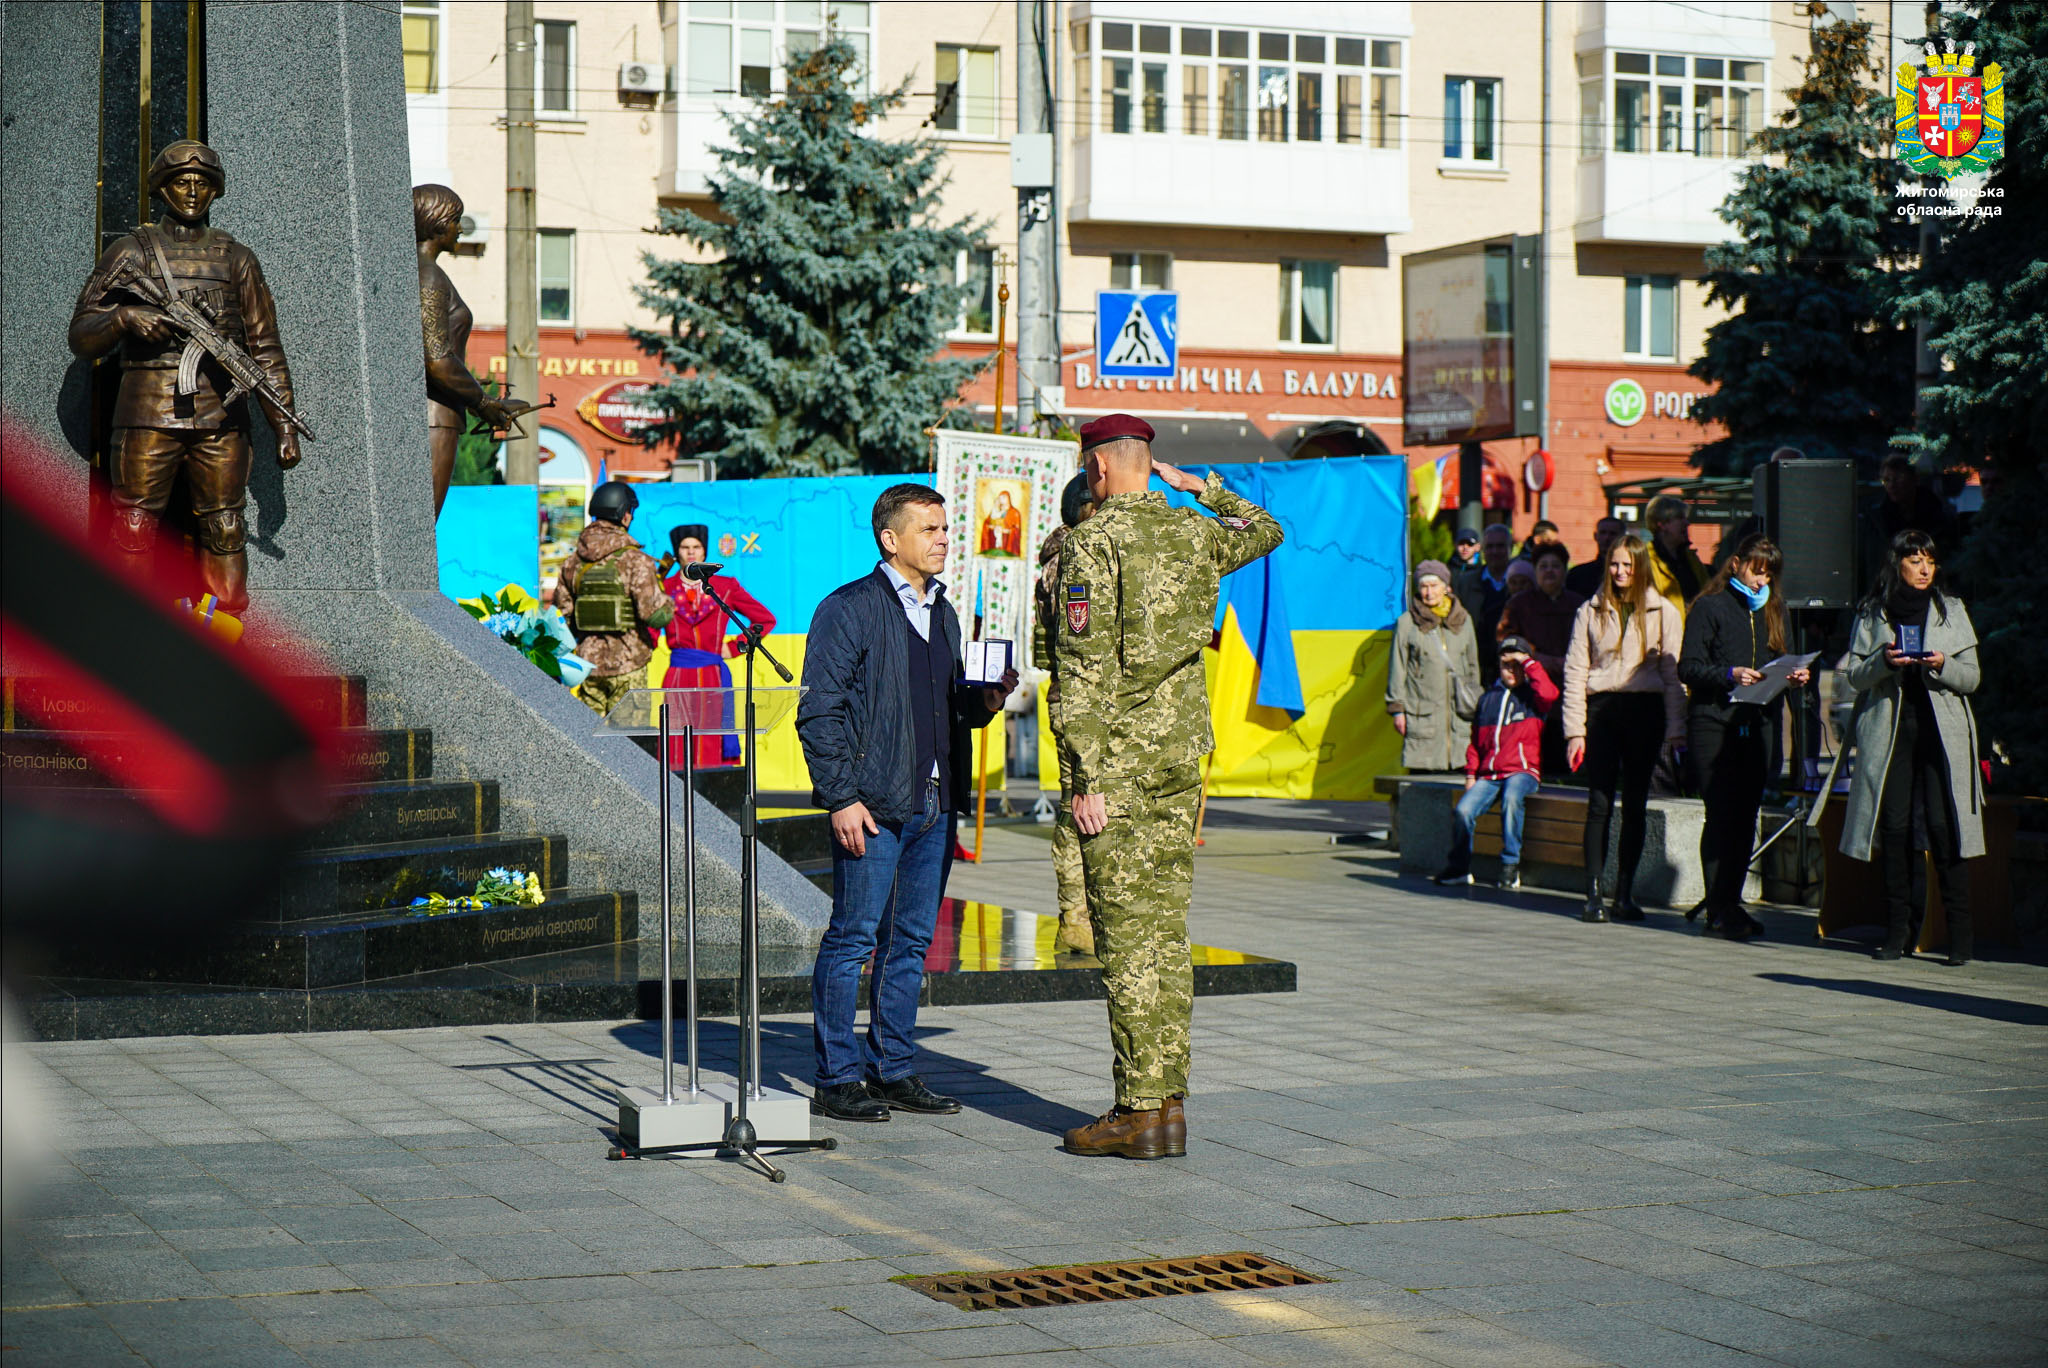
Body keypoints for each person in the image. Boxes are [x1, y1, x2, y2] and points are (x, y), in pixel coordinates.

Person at [1053, 414, 1283, 1159]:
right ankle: (1169, 1103)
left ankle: (1138, 1108)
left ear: (1097, 469)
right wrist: (1200, 486)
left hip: (1116, 769)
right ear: (1147, 464)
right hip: (1180, 762)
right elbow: (1268, 528)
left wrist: (1085, 775)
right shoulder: (1194, 532)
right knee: (1164, 933)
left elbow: (1080, 671)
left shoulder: (1093, 540)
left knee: (1126, 939)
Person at [797, 484, 1015, 1123]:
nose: (944, 538)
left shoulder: (943, 611)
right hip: (874, 803)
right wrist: (840, 797)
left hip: (936, 801)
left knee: (911, 942)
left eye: (945, 528)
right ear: (890, 540)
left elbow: (955, 710)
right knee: (853, 939)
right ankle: (837, 1078)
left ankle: (891, 1068)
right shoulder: (849, 608)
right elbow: (820, 711)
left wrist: (989, 698)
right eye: (930, 529)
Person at [68, 140, 304, 614]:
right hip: (146, 414)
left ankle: (226, 638)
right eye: (182, 181)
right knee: (133, 527)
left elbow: (265, 347)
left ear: (216, 190)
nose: (193, 190)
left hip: (220, 418)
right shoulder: (131, 253)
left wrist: (283, 423)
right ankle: (127, 635)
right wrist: (123, 320)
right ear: (161, 187)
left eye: (203, 182)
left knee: (226, 528)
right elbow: (81, 333)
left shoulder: (237, 258)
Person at [1840, 531, 1984, 965]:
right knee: (1895, 829)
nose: (1924, 569)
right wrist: (1883, 662)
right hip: (1891, 732)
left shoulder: (1951, 610)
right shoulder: (1872, 611)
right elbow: (1854, 676)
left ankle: (1961, 936)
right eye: (1916, 560)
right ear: (1897, 563)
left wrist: (1943, 665)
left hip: (1943, 734)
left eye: (1930, 561)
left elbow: (1973, 678)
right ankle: (1896, 932)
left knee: (1945, 828)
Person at [1678, 536, 1811, 941]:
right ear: (1736, 564)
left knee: (1745, 817)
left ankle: (1728, 903)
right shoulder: (1710, 606)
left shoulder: (1774, 609)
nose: (1760, 580)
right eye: (1755, 570)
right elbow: (1689, 667)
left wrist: (1794, 678)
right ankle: (1719, 907)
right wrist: (1729, 674)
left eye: (1768, 573)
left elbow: (1780, 657)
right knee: (1720, 814)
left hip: (1756, 724)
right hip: (1714, 722)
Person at [1563, 533, 1685, 923]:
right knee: (1599, 804)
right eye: (1614, 564)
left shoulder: (1663, 611)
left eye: (1628, 566)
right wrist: (1574, 732)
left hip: (1644, 711)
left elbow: (1673, 676)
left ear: (1640, 568)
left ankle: (1626, 895)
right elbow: (1575, 672)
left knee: (1635, 805)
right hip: (1601, 711)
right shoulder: (1589, 610)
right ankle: (1593, 893)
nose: (1619, 572)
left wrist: (1676, 728)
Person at [414, 184, 515, 517]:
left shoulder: (420, 273)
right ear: (439, 223)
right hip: (436, 417)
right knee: (421, 528)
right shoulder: (429, 277)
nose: (460, 229)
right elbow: (437, 359)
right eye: (456, 220)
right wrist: (483, 403)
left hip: (436, 414)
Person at [1434, 636, 1558, 892]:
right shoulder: (1488, 698)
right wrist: (1471, 774)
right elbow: (1475, 742)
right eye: (1506, 665)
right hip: (1490, 774)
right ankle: (1459, 868)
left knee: (1513, 798)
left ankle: (1510, 866)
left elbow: (1550, 693)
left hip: (1523, 772)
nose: (1511, 671)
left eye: (1516, 665)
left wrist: (1528, 663)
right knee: (1463, 811)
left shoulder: (1533, 696)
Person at [1033, 473, 1098, 957]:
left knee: (1079, 807)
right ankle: (1078, 918)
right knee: (1082, 809)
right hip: (1083, 705)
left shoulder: (1056, 559)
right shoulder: (1077, 557)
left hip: (1070, 701)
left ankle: (1078, 918)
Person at [657, 523, 775, 771]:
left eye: (696, 547)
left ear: (704, 552)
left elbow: (765, 619)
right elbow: (647, 629)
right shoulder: (663, 589)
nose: (691, 552)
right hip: (678, 675)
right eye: (685, 547)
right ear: (677, 552)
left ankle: (710, 803)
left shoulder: (724, 587)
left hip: (712, 675)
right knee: (677, 741)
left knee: (710, 742)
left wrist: (734, 648)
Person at [551, 481, 675, 716]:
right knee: (629, 745)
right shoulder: (635, 560)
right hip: (629, 665)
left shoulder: (572, 562)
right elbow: (655, 615)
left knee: (590, 744)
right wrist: (667, 601)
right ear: (624, 514)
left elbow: (562, 617)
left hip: (588, 667)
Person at [1386, 561, 1481, 774]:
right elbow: (1398, 668)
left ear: (1446, 587)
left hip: (1460, 721)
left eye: (1434, 585)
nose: (1429, 593)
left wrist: (1476, 704)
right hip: (1423, 719)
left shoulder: (1463, 620)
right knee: (1422, 788)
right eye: (1424, 587)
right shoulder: (1407, 623)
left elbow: (1473, 666)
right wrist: (1397, 710)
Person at [1499, 542, 1585, 778]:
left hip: (1570, 696)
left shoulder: (1579, 605)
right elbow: (1505, 641)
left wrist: (1568, 662)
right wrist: (1538, 659)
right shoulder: (1518, 604)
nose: (1549, 571)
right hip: (1529, 698)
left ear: (1565, 570)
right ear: (1535, 571)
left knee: (1565, 769)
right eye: (1543, 566)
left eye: (1555, 566)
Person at [1457, 523, 1516, 678]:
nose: (1495, 551)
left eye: (1500, 546)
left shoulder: (1521, 582)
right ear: (1482, 550)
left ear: (1511, 547)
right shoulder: (1465, 584)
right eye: (1490, 547)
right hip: (1476, 667)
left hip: (1513, 668)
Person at [1644, 494, 1710, 618]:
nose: (1687, 523)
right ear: (1662, 524)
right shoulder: (1646, 560)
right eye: (1680, 518)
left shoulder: (1691, 559)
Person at [1868, 454, 1953, 550]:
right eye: (1886, 480)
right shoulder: (1878, 518)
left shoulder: (1935, 510)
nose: (1891, 485)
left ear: (1914, 479)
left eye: (1898, 479)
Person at [1565, 516, 1625, 599]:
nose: (1607, 538)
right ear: (1595, 536)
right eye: (1603, 533)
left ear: (1622, 538)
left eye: (1612, 534)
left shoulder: (1627, 574)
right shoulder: (1578, 575)